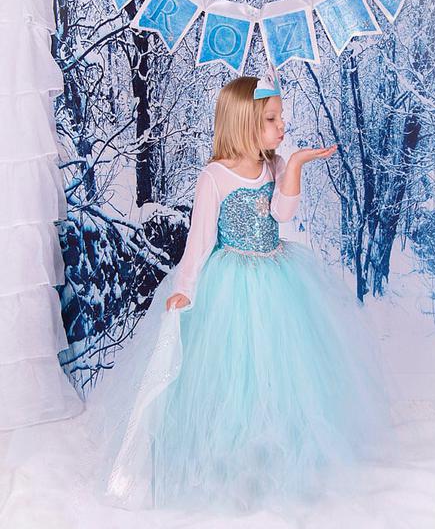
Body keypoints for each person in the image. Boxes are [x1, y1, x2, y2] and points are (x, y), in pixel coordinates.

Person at [85, 65, 400, 518]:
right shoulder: (215, 176)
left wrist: (294, 165)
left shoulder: (274, 165)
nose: (281, 126)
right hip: (231, 284)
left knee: (280, 369)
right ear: (244, 122)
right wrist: (185, 289)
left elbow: (283, 214)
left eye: (281, 117)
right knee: (233, 373)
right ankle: (231, 461)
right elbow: (199, 242)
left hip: (277, 278)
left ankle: (275, 456)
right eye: (271, 118)